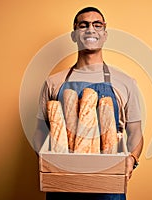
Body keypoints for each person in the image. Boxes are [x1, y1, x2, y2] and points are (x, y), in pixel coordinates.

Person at [33, 6, 144, 200]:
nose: (90, 29)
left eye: (97, 24)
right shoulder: (53, 82)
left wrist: (131, 159)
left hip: (109, 185)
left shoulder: (126, 82)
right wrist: (48, 163)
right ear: (74, 35)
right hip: (63, 185)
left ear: (104, 33)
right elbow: (39, 132)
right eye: (83, 25)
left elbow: (135, 131)